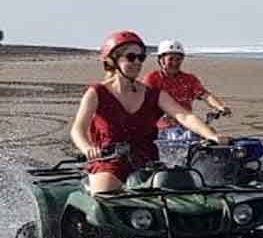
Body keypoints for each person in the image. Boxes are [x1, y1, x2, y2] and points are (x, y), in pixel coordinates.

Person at [70, 31, 225, 193]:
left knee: (180, 189)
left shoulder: (153, 94)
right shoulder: (97, 92)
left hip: (147, 161)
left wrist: (211, 135)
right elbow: (78, 129)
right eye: (131, 57)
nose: (137, 62)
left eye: (141, 58)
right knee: (105, 194)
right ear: (113, 60)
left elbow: (184, 115)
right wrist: (87, 148)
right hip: (109, 160)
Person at [143, 39, 229, 131]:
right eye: (171, 59)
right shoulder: (152, 79)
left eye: (178, 59)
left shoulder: (189, 79)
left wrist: (220, 106)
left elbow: (205, 95)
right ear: (161, 60)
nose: (175, 63)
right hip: (159, 129)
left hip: (186, 126)